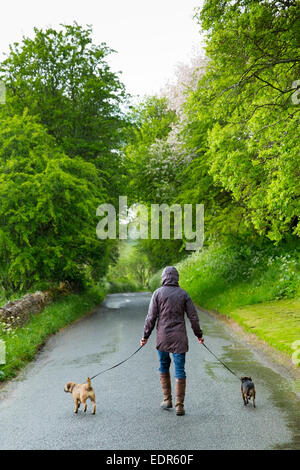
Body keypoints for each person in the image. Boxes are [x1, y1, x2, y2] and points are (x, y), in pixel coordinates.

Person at [140, 266, 204, 416]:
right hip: (179, 338)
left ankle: (167, 399)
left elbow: (151, 317)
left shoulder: (157, 293)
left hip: (162, 338)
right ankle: (179, 405)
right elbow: (193, 317)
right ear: (176, 278)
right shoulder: (183, 294)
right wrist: (198, 334)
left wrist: (145, 336)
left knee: (163, 365)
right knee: (180, 369)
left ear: (163, 277)